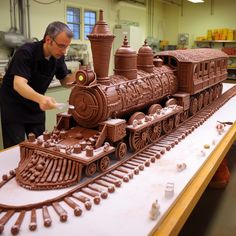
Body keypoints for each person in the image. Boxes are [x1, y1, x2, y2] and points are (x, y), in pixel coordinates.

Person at [0, 21, 75, 148]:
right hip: (14, 106)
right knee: (15, 146)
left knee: (40, 143)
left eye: (67, 47)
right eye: (62, 46)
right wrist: (41, 98)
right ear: (48, 40)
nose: (64, 51)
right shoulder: (26, 52)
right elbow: (19, 84)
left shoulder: (58, 57)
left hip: (36, 107)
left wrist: (78, 78)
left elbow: (64, 80)